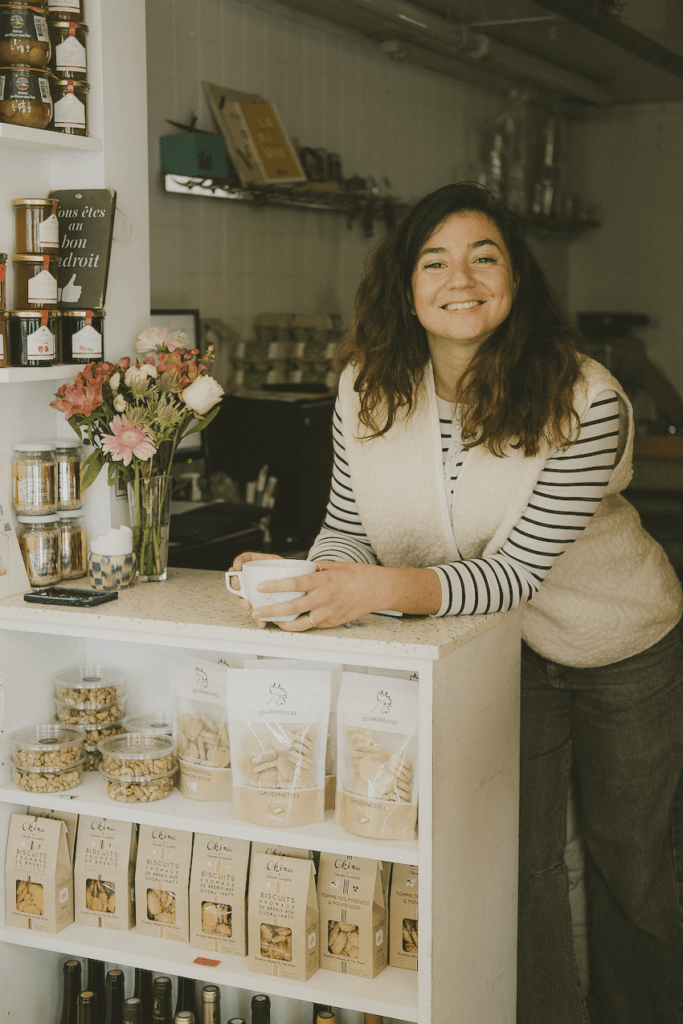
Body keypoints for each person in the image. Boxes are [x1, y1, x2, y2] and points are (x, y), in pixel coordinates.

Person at [230, 181, 683, 1023]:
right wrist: (314, 580)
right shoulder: (366, 386)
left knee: (636, 868)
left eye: (484, 256)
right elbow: (345, 527)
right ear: (404, 284)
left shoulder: (584, 397)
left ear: (517, 278)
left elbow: (513, 574)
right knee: (516, 867)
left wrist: (370, 590)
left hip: (617, 644)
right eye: (434, 260)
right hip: (490, 654)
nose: (460, 278)